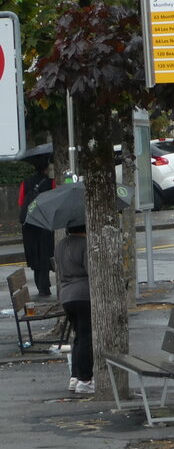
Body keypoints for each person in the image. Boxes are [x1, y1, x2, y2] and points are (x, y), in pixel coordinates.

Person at [55, 225, 93, 395]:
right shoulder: (85, 243)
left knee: (79, 336)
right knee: (86, 337)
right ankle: (85, 380)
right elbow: (90, 270)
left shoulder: (61, 245)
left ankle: (75, 377)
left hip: (66, 296)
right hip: (83, 294)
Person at [17, 158, 56, 298]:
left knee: (34, 256)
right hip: (44, 223)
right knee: (45, 254)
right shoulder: (51, 183)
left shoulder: (25, 183)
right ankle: (44, 288)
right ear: (46, 169)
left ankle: (41, 286)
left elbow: (21, 202)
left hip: (29, 224)